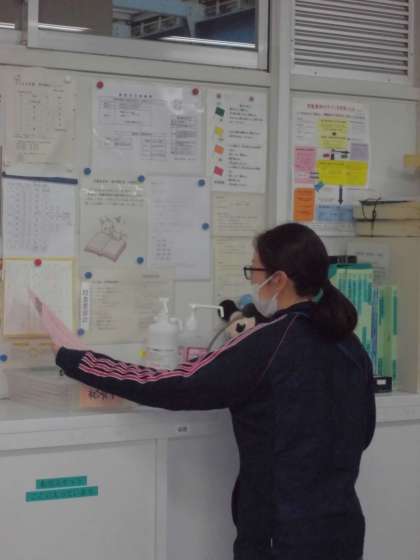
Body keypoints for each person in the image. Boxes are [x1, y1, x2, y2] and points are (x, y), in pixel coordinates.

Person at [55, 222, 375, 560]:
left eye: (254, 270)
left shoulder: (270, 341)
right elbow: (363, 431)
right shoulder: (349, 344)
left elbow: (177, 385)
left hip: (279, 536)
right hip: (343, 530)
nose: (251, 281)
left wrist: (79, 360)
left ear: (279, 279)